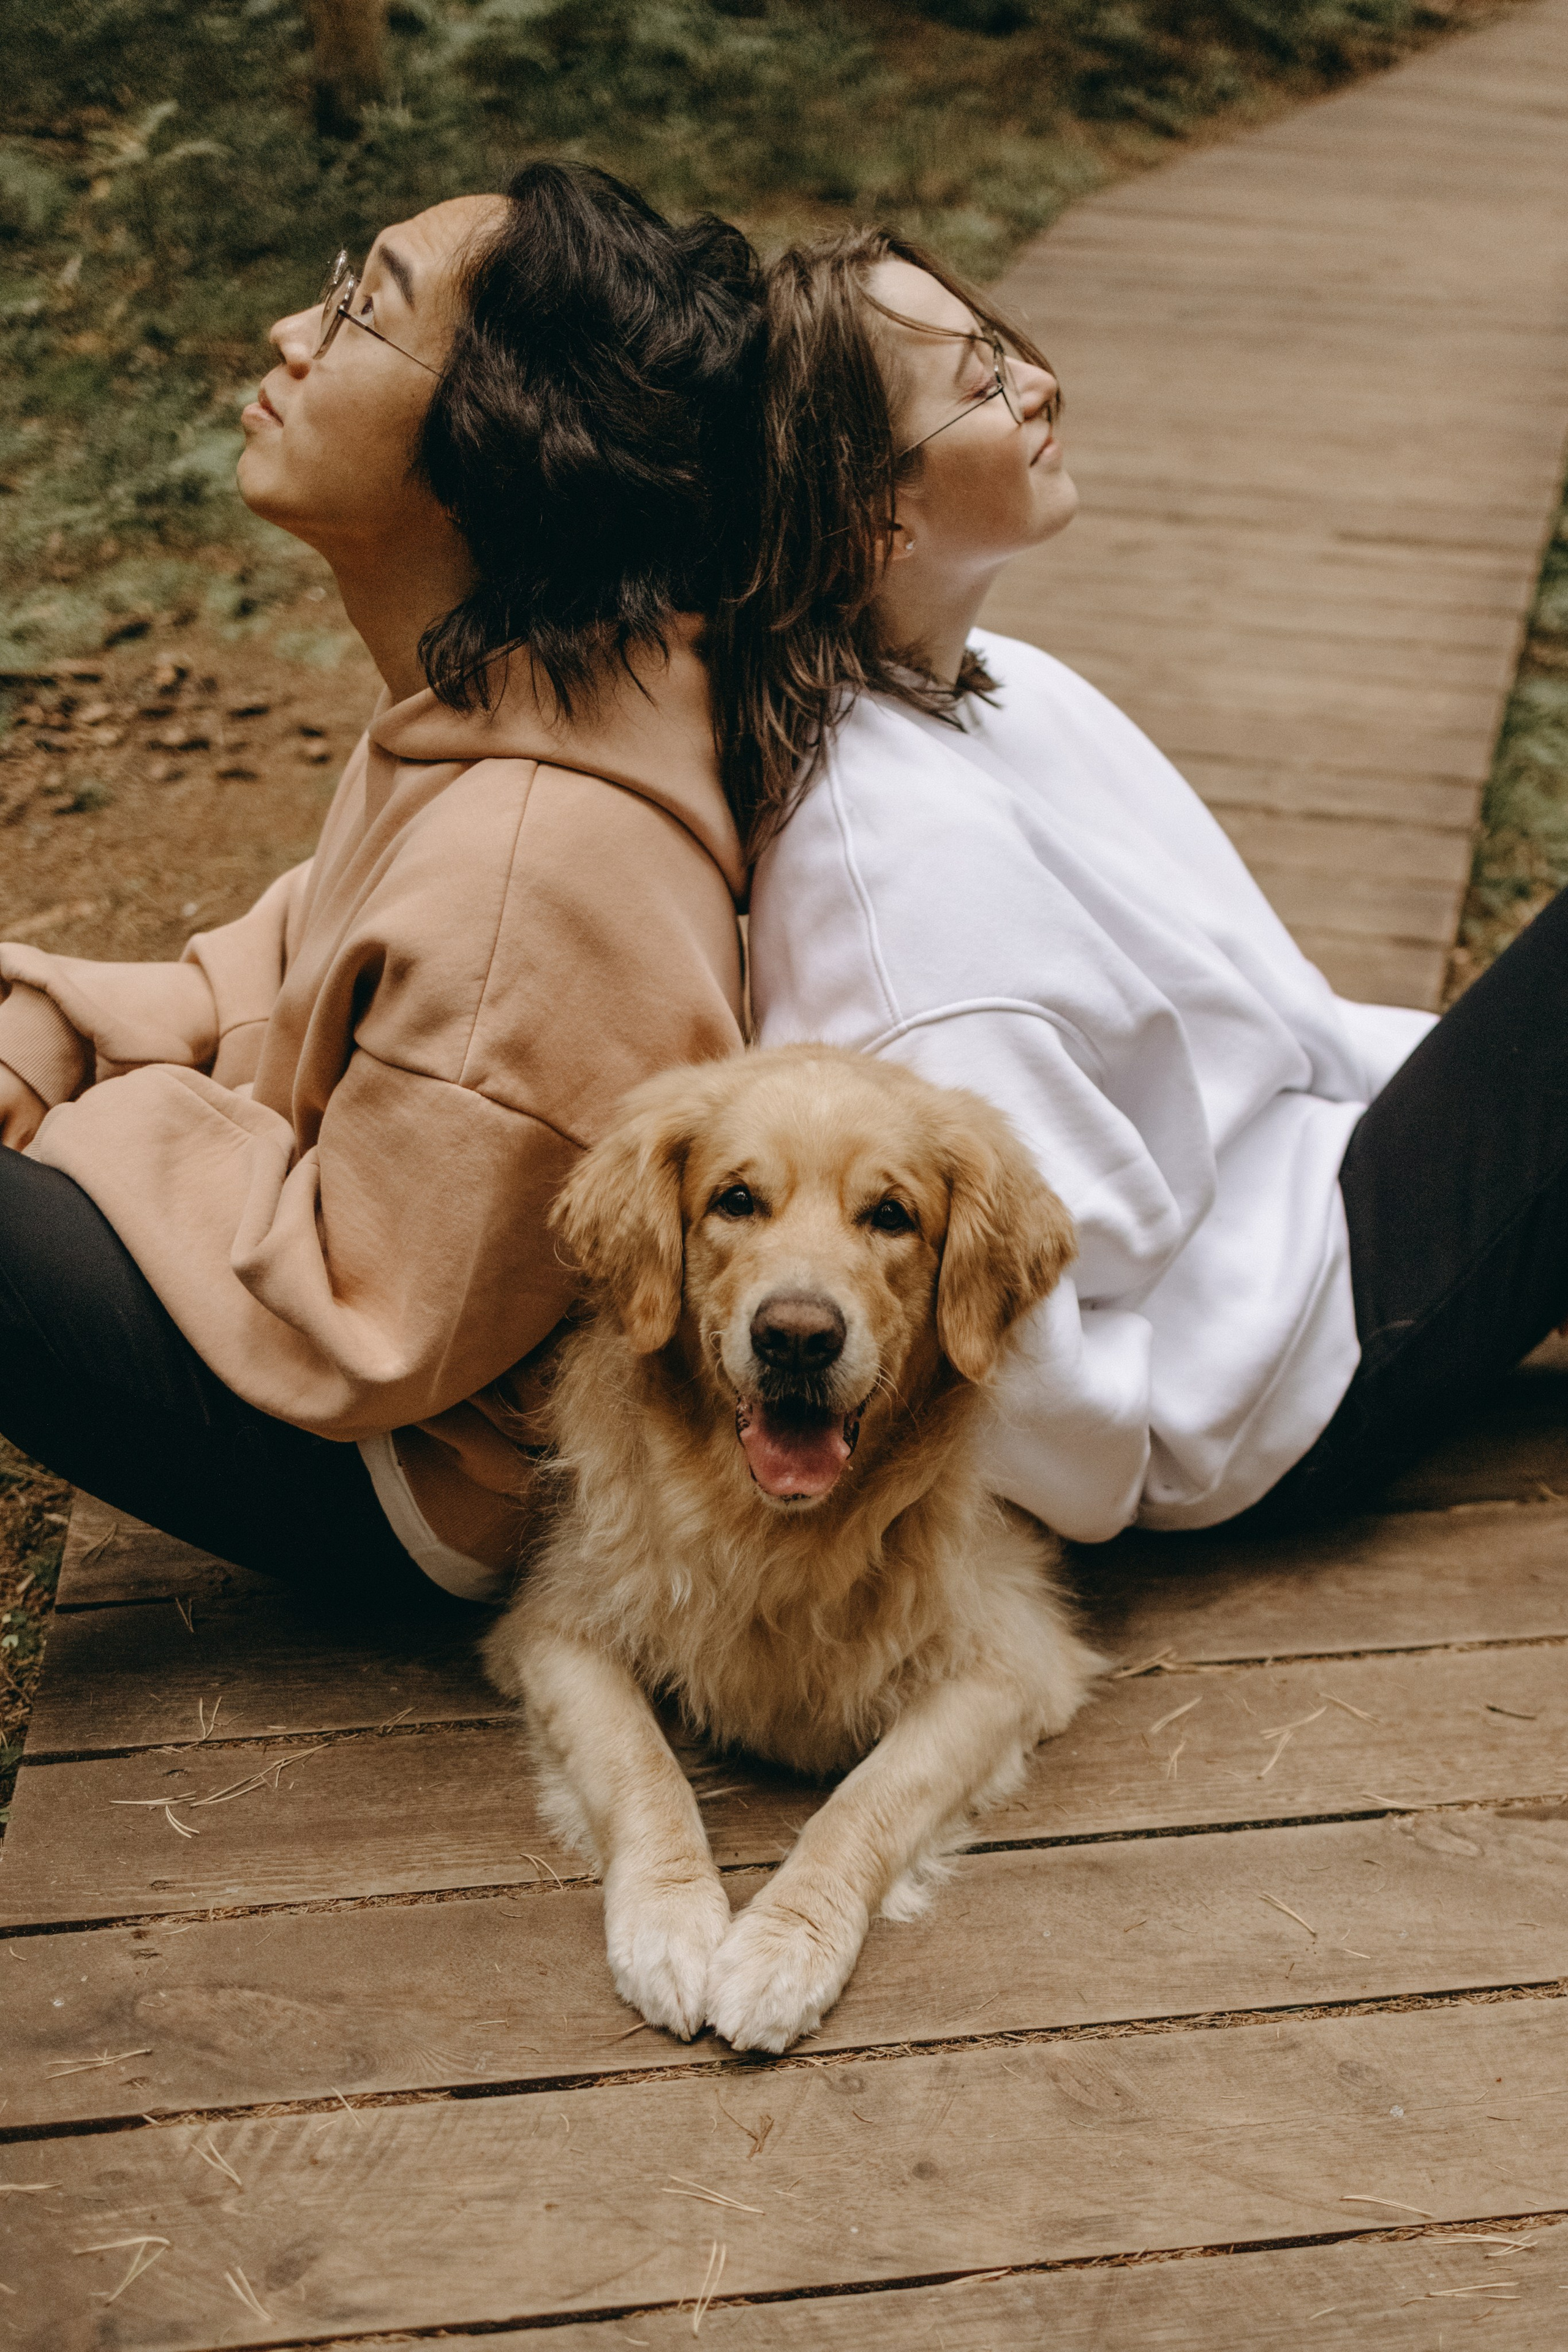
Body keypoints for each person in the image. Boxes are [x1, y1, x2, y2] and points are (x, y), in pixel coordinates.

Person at [0, 164, 761, 1607]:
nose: (295, 327)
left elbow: (375, 1329)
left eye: (363, 310)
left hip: (426, 1490)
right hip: (372, 1378)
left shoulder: (534, 857)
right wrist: (56, 1015)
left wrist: (107, 1116)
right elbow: (299, 945)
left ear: (501, 436)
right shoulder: (506, 696)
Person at [739, 227, 1567, 1542]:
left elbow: (1280, 1019)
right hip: (1285, 1378)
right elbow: (1004, 1320)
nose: (1034, 383)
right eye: (974, 381)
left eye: (999, 346)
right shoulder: (893, 871)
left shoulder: (996, 684)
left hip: (1319, 1203)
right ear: (869, 514)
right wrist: (1143, 1447)